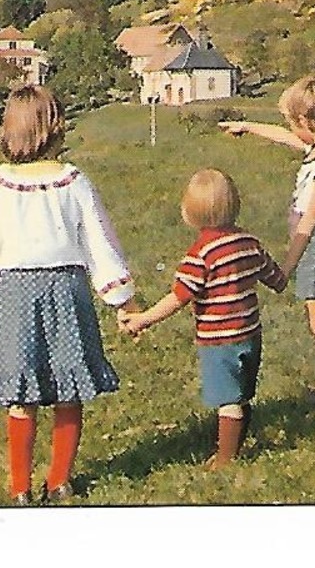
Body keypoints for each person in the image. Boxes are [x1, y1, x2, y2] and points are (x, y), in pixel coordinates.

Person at [0, 85, 140, 504]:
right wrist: (122, 299)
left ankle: (21, 488)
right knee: (67, 389)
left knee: (22, 395)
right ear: (55, 127)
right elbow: (101, 243)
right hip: (66, 290)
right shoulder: (73, 181)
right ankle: (58, 480)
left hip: (16, 295)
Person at [117, 169, 288, 469]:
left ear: (189, 214)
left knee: (228, 400)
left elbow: (179, 297)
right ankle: (236, 441)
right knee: (242, 393)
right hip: (250, 333)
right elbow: (273, 275)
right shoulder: (249, 241)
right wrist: (280, 278)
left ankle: (225, 458)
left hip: (219, 340)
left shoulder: (200, 254)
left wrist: (143, 319)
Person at [218, 75, 315, 408]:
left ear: (308, 122)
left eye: (293, 123)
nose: (290, 130)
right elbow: (283, 136)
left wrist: (286, 267)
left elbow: (309, 221)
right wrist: (247, 126)